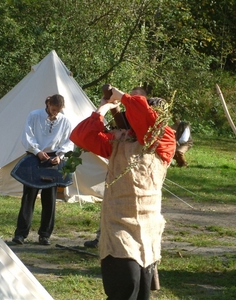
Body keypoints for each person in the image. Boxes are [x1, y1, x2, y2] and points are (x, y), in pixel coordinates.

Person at [70, 85, 175, 299]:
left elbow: (146, 121)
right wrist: (103, 109)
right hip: (117, 222)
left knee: (142, 292)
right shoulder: (119, 141)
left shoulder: (164, 139)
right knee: (126, 285)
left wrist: (123, 97)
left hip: (147, 227)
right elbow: (81, 136)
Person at [83, 86, 148, 249]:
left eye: (136, 97)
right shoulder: (123, 116)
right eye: (131, 96)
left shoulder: (149, 120)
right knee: (109, 203)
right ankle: (102, 237)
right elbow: (113, 134)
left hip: (140, 171)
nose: (132, 99)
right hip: (118, 168)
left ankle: (136, 241)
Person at [12, 94, 73, 246]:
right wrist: (37, 151)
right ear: (48, 103)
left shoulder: (65, 121)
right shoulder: (34, 115)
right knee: (28, 198)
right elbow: (28, 136)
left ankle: (44, 235)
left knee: (50, 200)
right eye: (53, 109)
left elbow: (68, 141)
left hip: (53, 160)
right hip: (34, 158)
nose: (55, 113)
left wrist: (60, 156)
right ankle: (20, 234)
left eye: (58, 110)